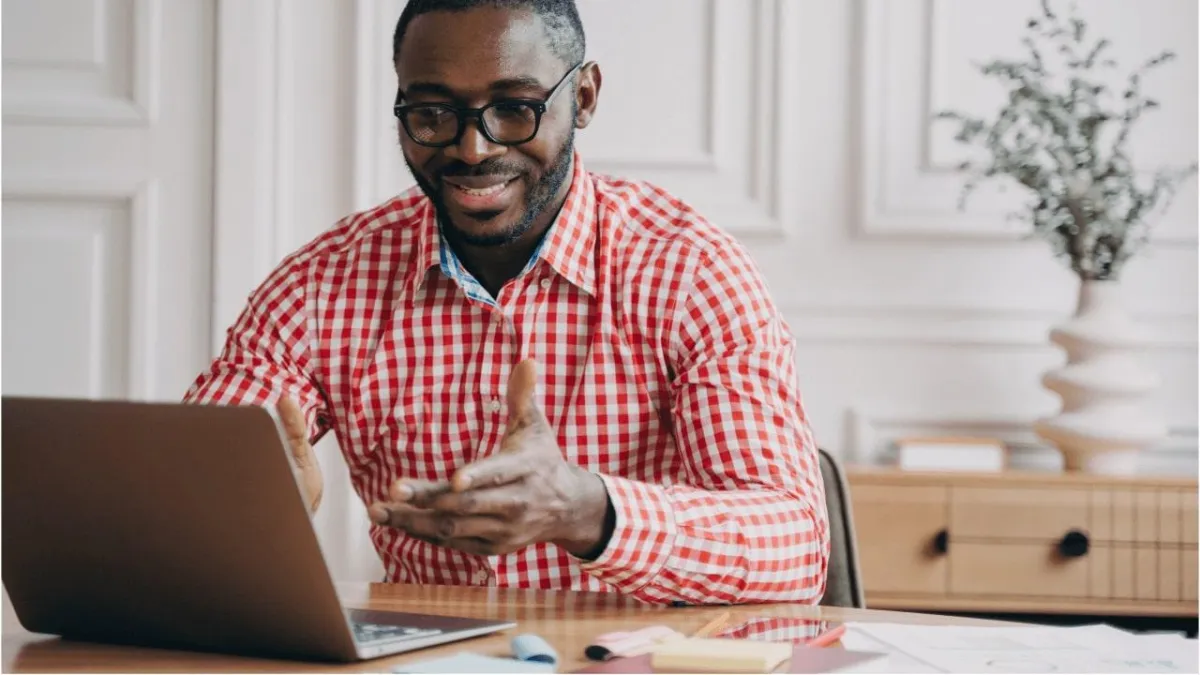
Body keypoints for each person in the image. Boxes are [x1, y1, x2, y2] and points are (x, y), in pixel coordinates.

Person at [185, 0, 829, 605]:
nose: (473, 149)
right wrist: (245, 521)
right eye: (432, 113)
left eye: (515, 108)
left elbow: (795, 547)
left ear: (582, 98)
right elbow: (175, 488)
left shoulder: (689, 270)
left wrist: (587, 511)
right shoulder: (322, 283)